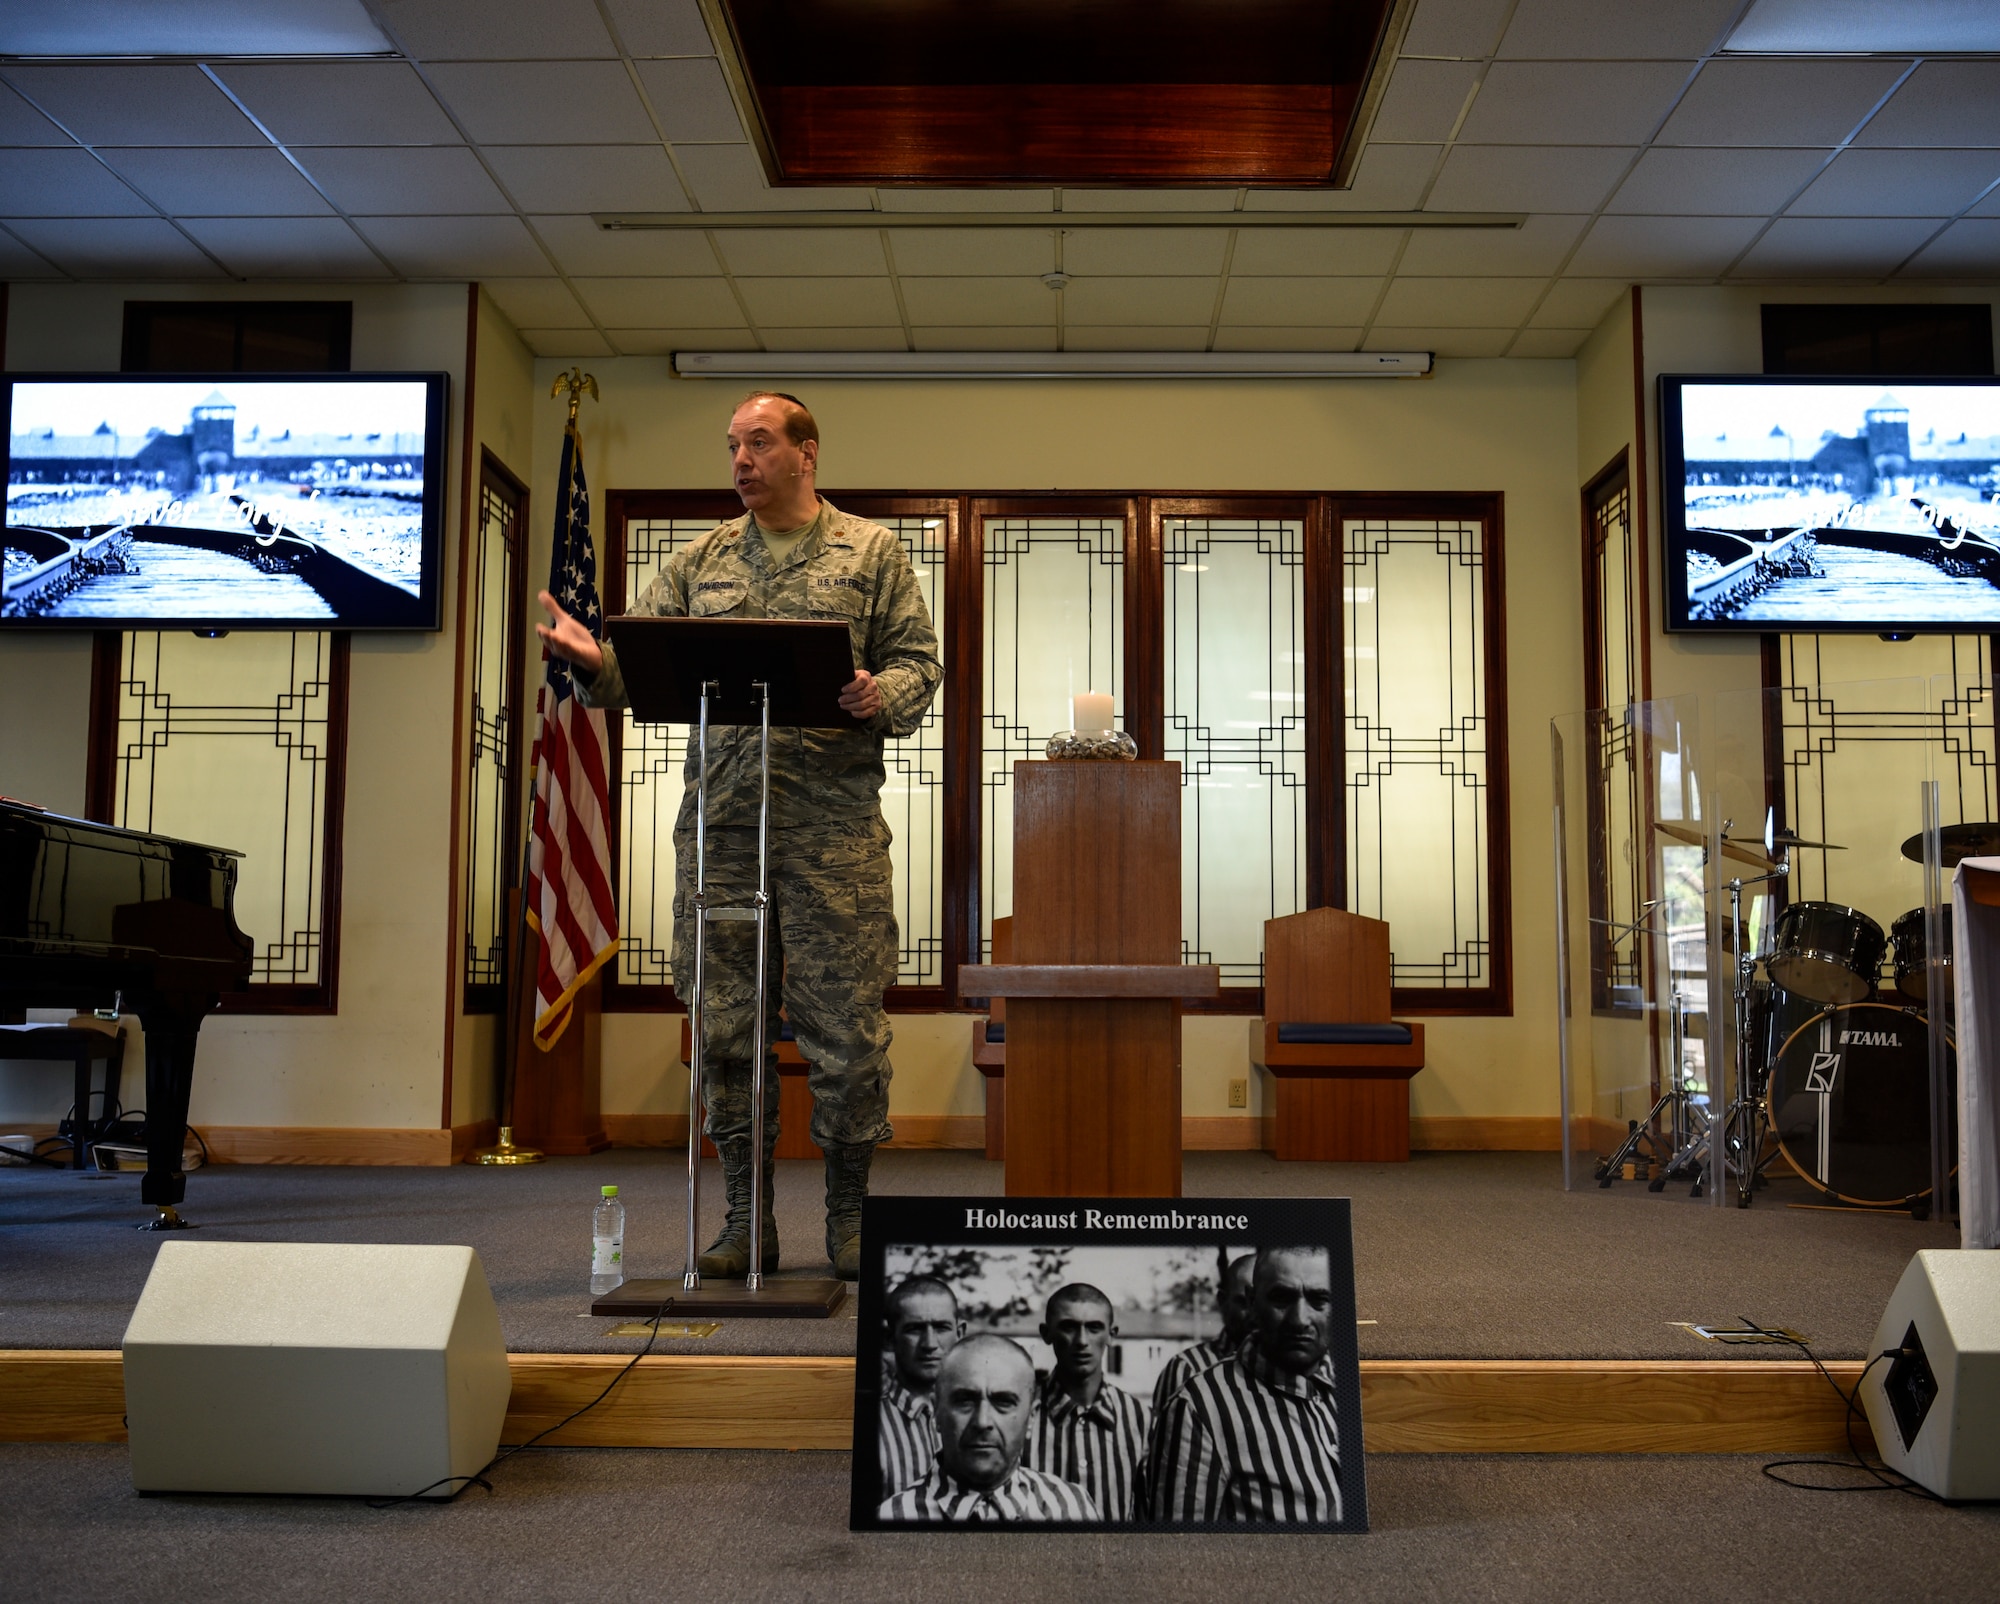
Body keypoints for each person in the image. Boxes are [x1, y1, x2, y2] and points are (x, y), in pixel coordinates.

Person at [537, 393, 942, 1280]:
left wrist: (887, 693)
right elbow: (635, 669)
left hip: (832, 834)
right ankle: (744, 1220)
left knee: (845, 1036)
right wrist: (593, 658)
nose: (741, 459)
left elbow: (921, 662)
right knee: (724, 1031)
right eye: (732, 445)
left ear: (807, 454)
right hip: (723, 833)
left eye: (760, 442)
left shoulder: (872, 553)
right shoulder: (699, 562)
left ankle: (847, 1218)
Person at [1148, 1246, 1344, 1524]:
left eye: (1319, 1300)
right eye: (1282, 1298)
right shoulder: (1199, 1407)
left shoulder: (1353, 1388)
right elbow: (1178, 1553)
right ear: (1252, 1302)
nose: (1300, 1319)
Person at [877, 1336, 1102, 1523]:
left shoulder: (1072, 1509)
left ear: (1031, 1418)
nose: (982, 1421)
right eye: (965, 1400)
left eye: (1003, 1402)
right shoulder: (892, 1517)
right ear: (937, 1411)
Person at [1022, 1282, 1150, 1519]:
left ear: (1111, 1335)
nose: (1081, 1341)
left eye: (1093, 1328)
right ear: (1046, 1333)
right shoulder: (1021, 1414)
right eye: (1069, 1327)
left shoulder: (1141, 1419)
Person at [878, 1275, 962, 1494]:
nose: (930, 1344)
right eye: (915, 1329)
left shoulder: (988, 1416)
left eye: (941, 1327)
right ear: (889, 1338)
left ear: (960, 1333)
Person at [1148, 1252, 1256, 1416]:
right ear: (1222, 1301)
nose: (1254, 1313)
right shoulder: (1187, 1368)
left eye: (1261, 1301)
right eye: (1244, 1302)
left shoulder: (1292, 1364)